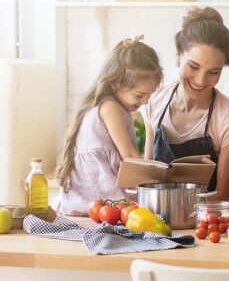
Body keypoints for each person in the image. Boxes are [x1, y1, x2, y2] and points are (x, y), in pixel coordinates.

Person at [141, 7, 229, 202]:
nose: (200, 80)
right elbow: (148, 180)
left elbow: (222, 196)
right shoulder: (154, 102)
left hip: (207, 225)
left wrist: (178, 209)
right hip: (156, 222)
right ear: (178, 54)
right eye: (194, 66)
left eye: (213, 72)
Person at [52, 36, 163, 215]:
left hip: (88, 201)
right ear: (115, 85)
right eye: (140, 95)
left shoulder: (108, 106)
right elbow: (129, 155)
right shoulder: (110, 108)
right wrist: (153, 180)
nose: (145, 101)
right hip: (100, 200)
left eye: (149, 95)